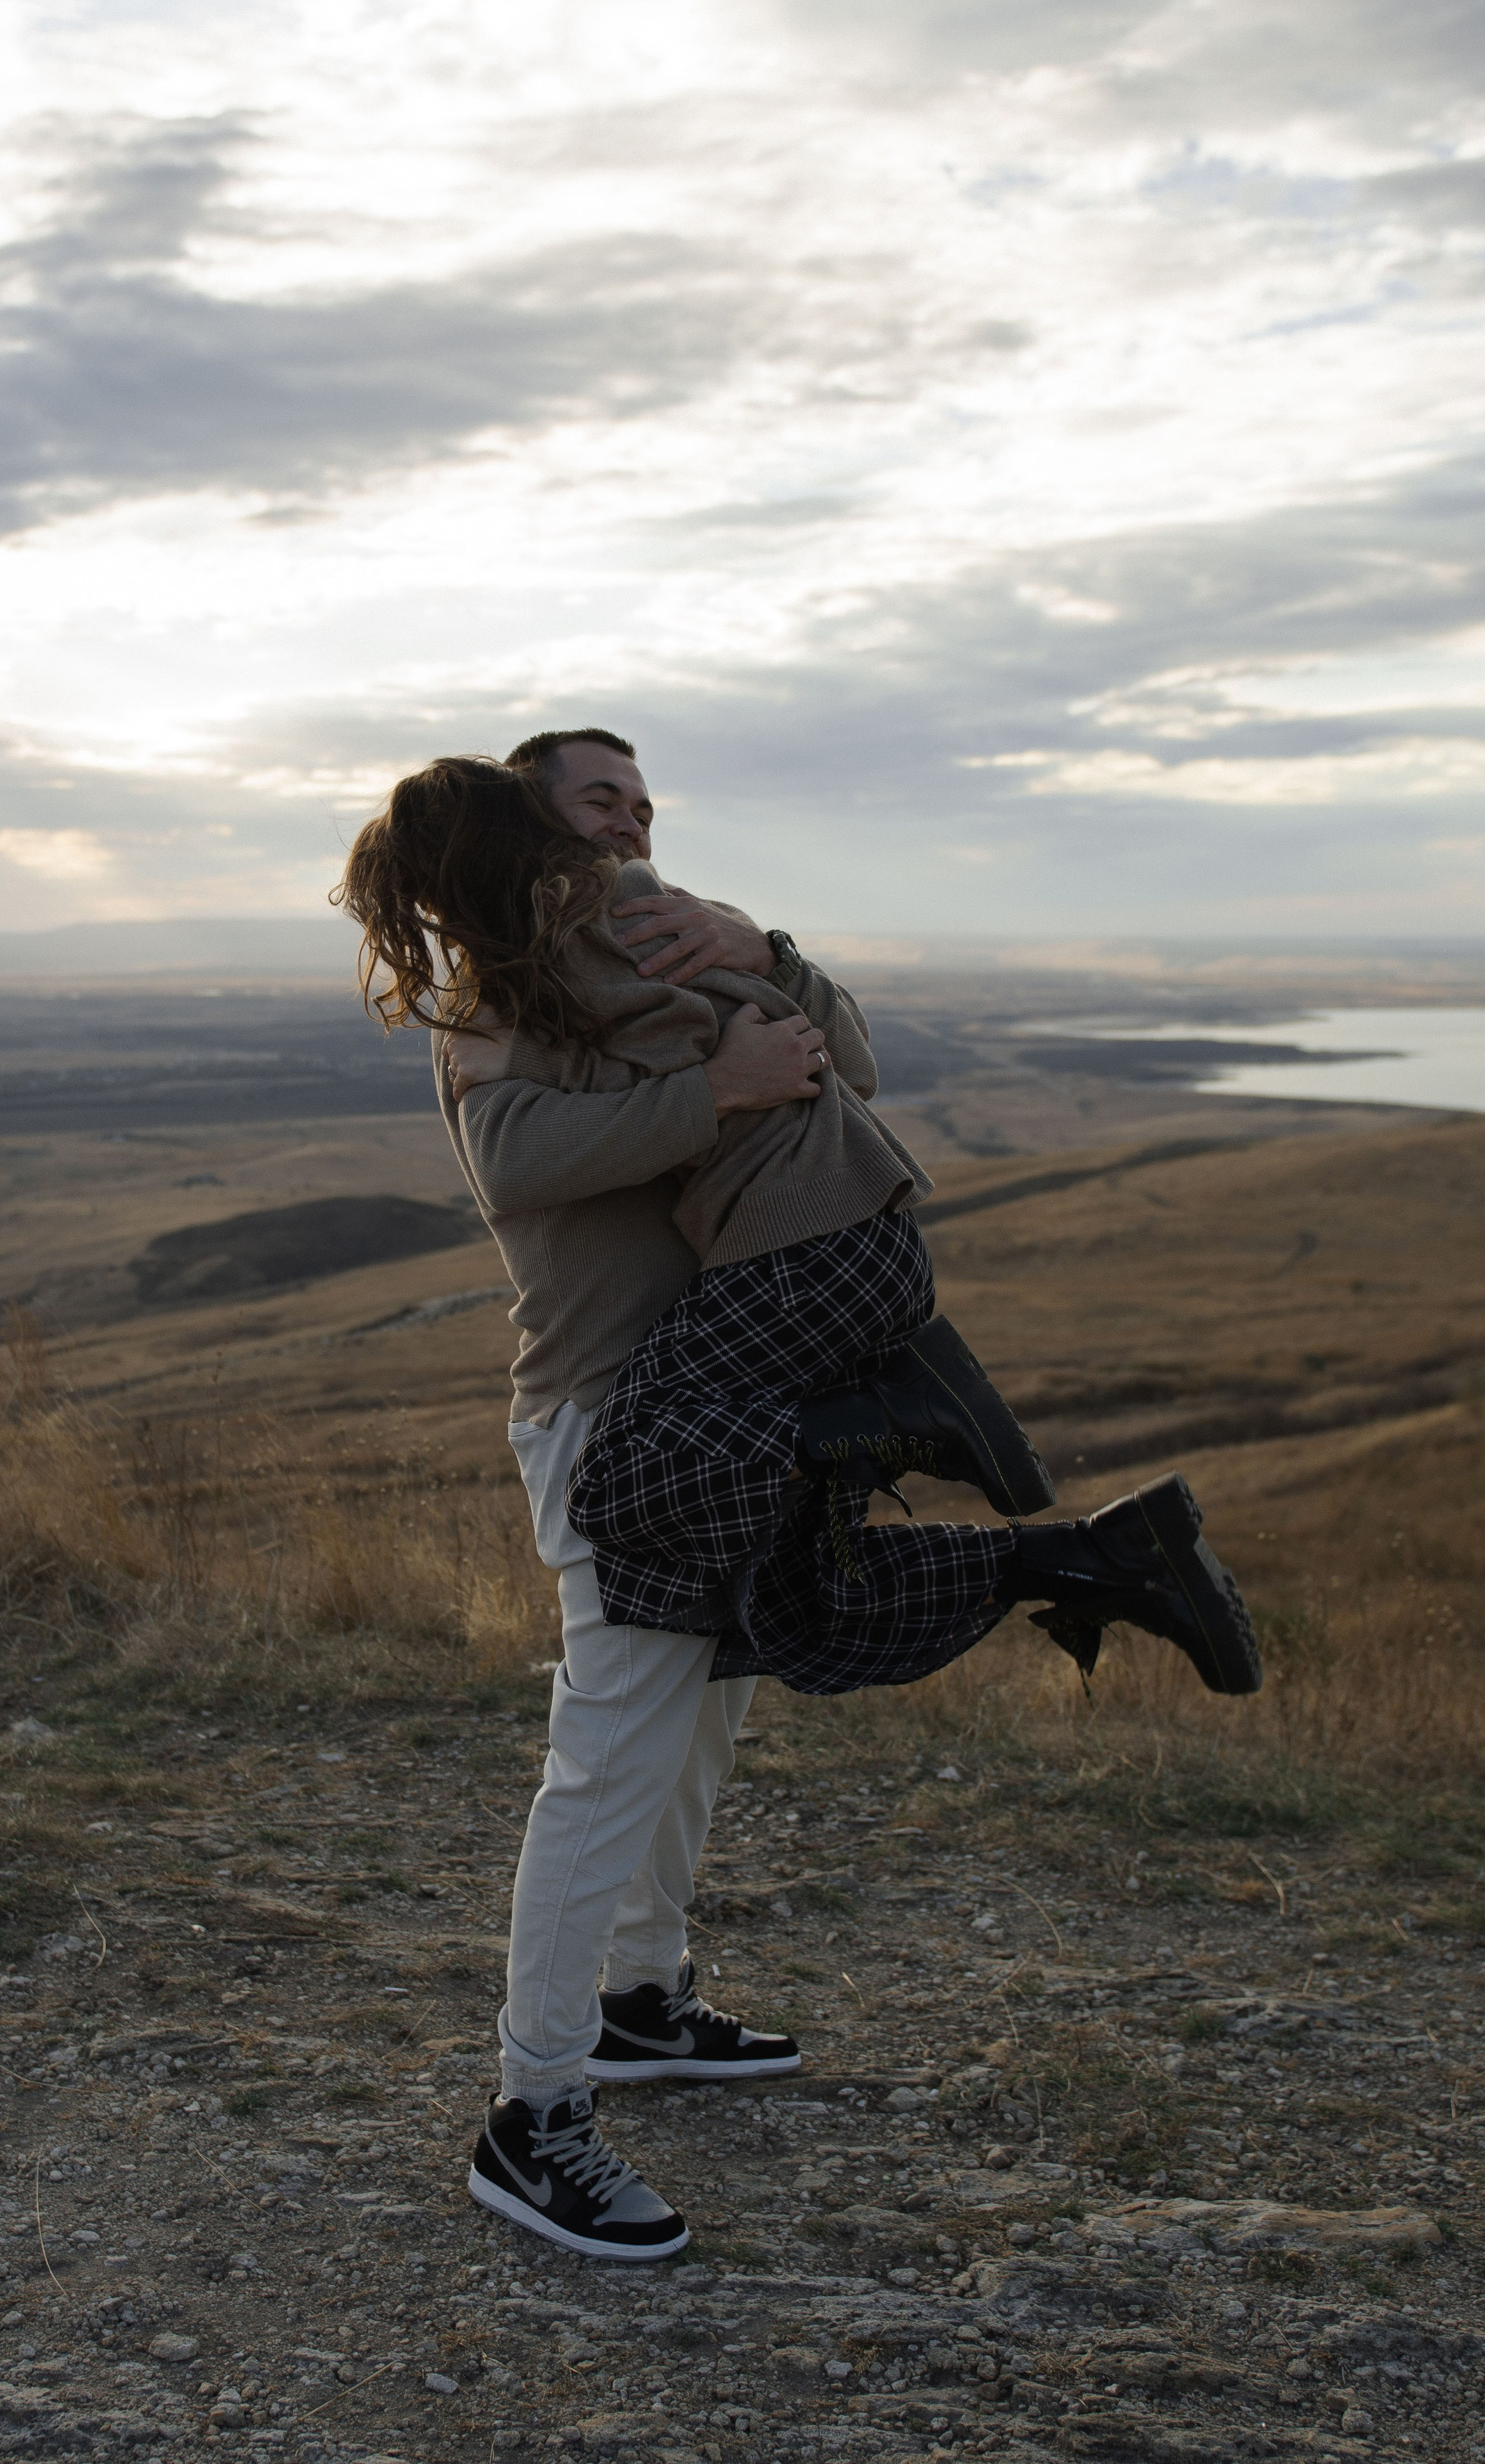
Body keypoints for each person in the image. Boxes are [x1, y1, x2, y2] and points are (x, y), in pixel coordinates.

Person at [335, 730, 1259, 2262]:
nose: (631, 825)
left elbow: (848, 1066)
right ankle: (531, 2111)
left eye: (643, 801)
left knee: (713, 1700)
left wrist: (762, 956)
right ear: (526, 824)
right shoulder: (499, 993)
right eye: (595, 802)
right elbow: (517, 1163)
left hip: (730, 1394)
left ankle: (639, 1995)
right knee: (611, 1744)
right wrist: (715, 1087)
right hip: (604, 1416)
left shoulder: (660, 940)